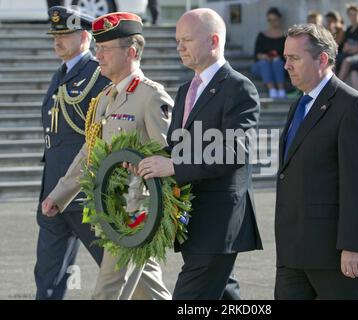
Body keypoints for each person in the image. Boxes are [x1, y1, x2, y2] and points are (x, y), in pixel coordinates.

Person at [127, 8, 263, 300]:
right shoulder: (186, 88)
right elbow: (177, 146)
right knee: (224, 294)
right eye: (178, 40)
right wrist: (143, 161)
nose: (179, 46)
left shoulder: (239, 88)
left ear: (214, 41)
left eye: (186, 39)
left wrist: (173, 165)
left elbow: (235, 150)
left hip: (219, 221)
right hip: (193, 218)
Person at [41, 12, 173, 300]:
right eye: (97, 47)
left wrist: (153, 212)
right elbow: (89, 151)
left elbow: (169, 156)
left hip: (136, 214)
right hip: (111, 210)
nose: (97, 54)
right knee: (147, 291)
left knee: (107, 291)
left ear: (132, 52)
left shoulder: (152, 97)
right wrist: (60, 194)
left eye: (105, 48)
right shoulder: (105, 98)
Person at [275, 23, 358, 300]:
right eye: (285, 57)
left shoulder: (352, 105)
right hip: (293, 249)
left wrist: (353, 245)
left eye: (294, 58)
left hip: (331, 252)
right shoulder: (298, 104)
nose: (286, 65)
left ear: (322, 59)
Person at [35, 6, 110, 300]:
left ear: (85, 37)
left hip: (84, 191)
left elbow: (100, 133)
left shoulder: (97, 75)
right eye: (55, 34)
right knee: (48, 274)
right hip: (54, 188)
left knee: (114, 267)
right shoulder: (62, 73)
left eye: (65, 34)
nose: (58, 40)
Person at [251, 7, 286, 99]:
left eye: (275, 20)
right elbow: (256, 54)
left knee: (277, 62)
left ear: (279, 19)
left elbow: (288, 55)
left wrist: (276, 58)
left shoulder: (285, 36)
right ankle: (272, 90)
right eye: (270, 20)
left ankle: (281, 89)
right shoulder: (262, 35)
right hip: (261, 67)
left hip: (279, 66)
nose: (272, 22)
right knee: (264, 63)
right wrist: (264, 56)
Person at [336, 5, 358, 80]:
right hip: (349, 54)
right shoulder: (349, 29)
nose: (353, 17)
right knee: (332, 60)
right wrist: (355, 48)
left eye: (355, 14)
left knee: (346, 61)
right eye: (351, 15)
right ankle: (329, 85)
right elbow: (345, 48)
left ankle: (337, 86)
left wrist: (351, 49)